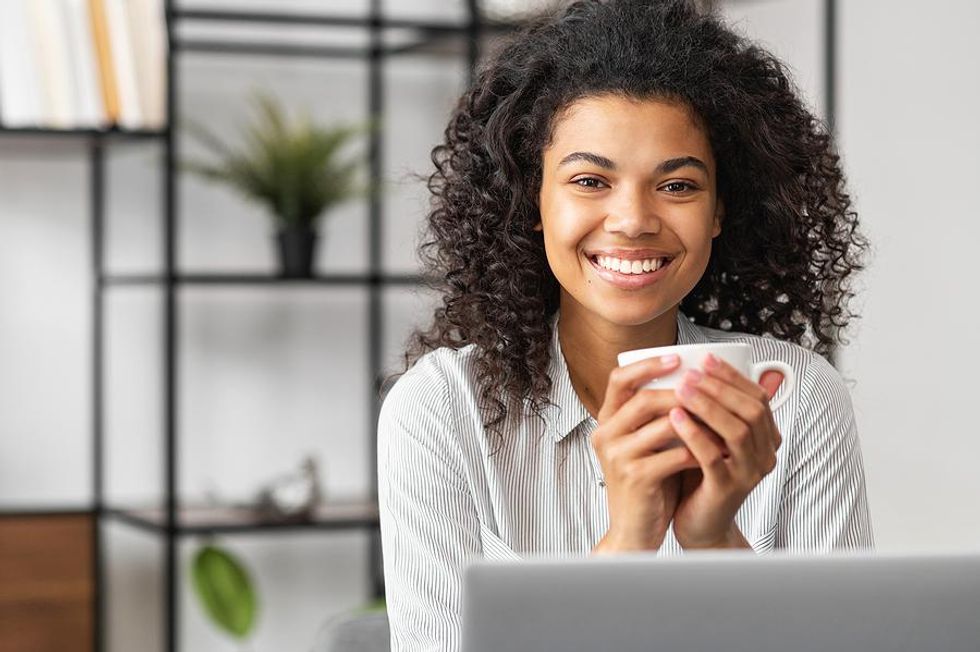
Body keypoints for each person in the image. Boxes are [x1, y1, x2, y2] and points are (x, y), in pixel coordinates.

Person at [376, 0, 874, 649]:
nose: (633, 219)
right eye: (590, 180)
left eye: (677, 186)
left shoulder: (799, 399)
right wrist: (629, 542)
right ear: (534, 201)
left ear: (721, 209)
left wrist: (714, 541)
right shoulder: (442, 411)